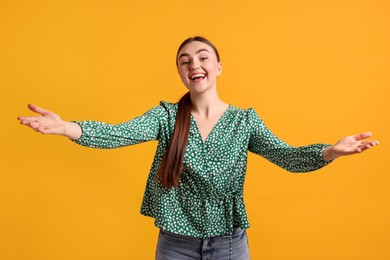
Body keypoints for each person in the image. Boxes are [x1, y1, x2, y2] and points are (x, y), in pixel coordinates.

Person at [18, 36, 379, 260]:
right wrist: (67, 127)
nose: (195, 64)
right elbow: (118, 133)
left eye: (203, 57)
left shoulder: (244, 121)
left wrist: (330, 152)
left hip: (229, 244)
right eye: (185, 60)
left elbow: (285, 155)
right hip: (175, 244)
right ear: (180, 73)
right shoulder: (166, 116)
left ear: (218, 67)